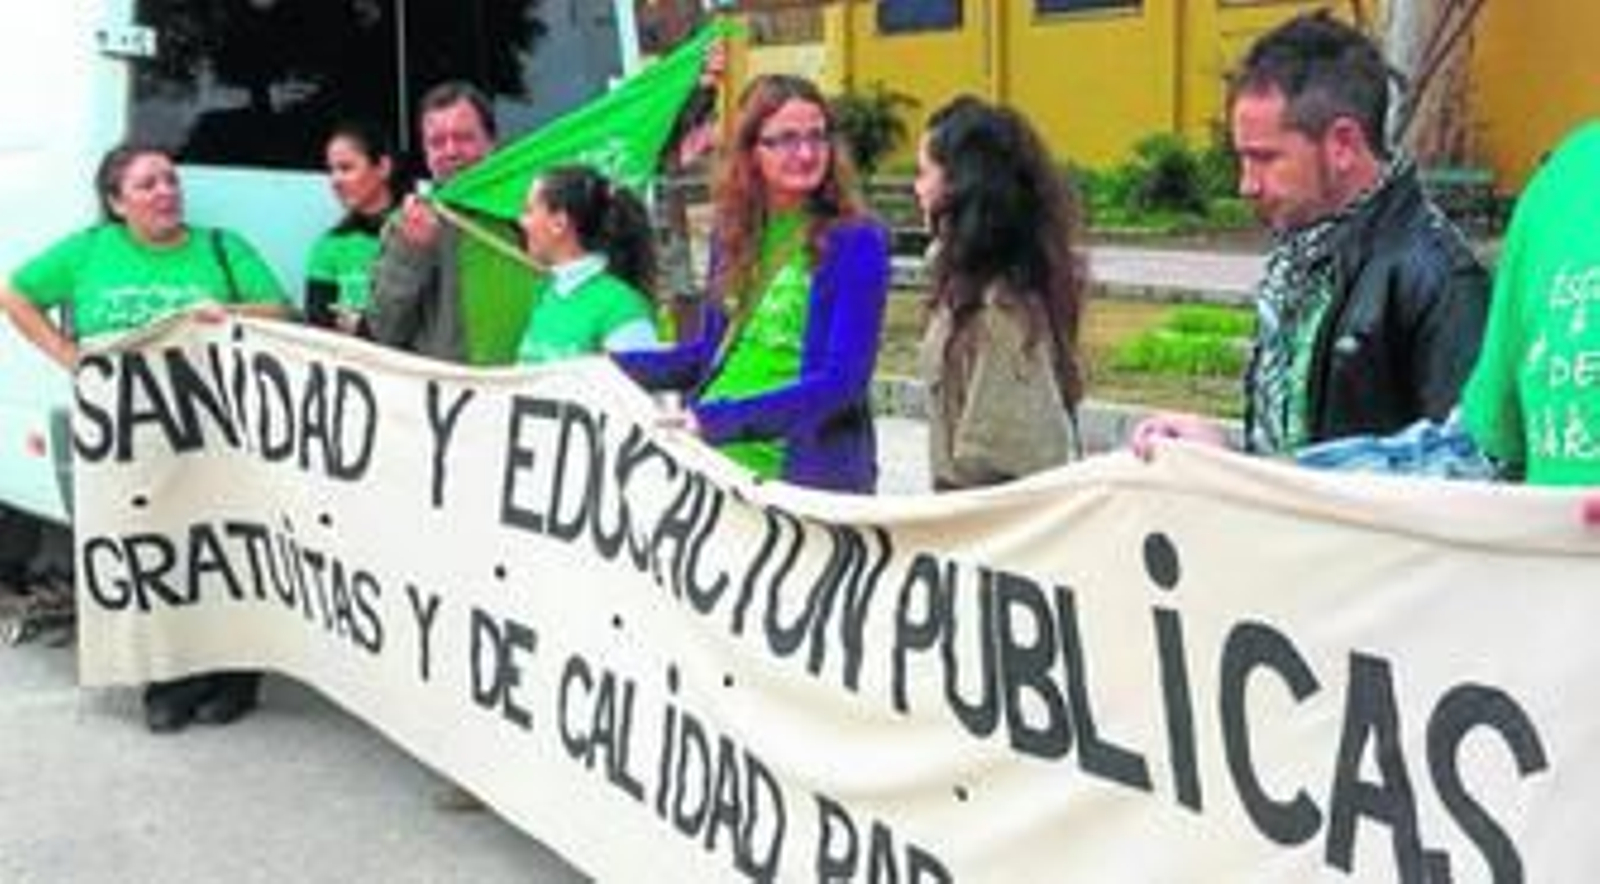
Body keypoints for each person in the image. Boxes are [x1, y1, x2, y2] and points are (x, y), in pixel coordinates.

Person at [0, 142, 289, 732]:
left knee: (221, 552)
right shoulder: (90, 251)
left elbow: (281, 313)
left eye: (170, 180)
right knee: (153, 556)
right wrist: (69, 356)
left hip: (216, 437)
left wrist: (228, 316)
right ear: (116, 202)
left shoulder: (221, 248)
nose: (166, 192)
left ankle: (233, 678)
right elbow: (14, 294)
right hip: (134, 446)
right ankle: (168, 679)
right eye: (148, 184)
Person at [1131, 11, 1489, 459]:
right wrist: (1222, 456)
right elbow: (1292, 448)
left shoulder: (1439, 277)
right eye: (1242, 159)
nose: (1247, 184)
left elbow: (1462, 470)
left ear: (1342, 143)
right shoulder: (1303, 254)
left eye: (1264, 158)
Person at [615, 74, 891, 494]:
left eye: (818, 137)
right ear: (750, 151)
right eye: (785, 139)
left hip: (801, 481)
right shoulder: (735, 233)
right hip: (713, 466)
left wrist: (718, 421)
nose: (806, 152)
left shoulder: (856, 240)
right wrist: (611, 366)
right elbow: (706, 355)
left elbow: (843, 382)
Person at [914, 96, 1087, 490]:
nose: (917, 188)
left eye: (924, 173)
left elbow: (1009, 468)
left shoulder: (1002, 312)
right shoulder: (966, 286)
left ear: (960, 184)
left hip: (988, 532)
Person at [364, 81, 499, 362]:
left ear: (491, 141)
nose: (450, 151)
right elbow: (383, 332)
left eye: (463, 137)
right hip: (444, 396)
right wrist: (412, 253)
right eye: (437, 142)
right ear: (426, 152)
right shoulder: (406, 224)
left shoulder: (532, 214)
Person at [516, 165, 660, 364]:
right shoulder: (546, 291)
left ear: (559, 223)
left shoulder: (622, 308)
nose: (521, 221)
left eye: (528, 210)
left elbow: (639, 391)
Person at [305, 120, 399, 332]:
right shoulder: (329, 244)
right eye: (331, 170)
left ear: (383, 167)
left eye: (346, 168)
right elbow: (319, 325)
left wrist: (358, 324)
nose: (335, 180)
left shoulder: (418, 230)